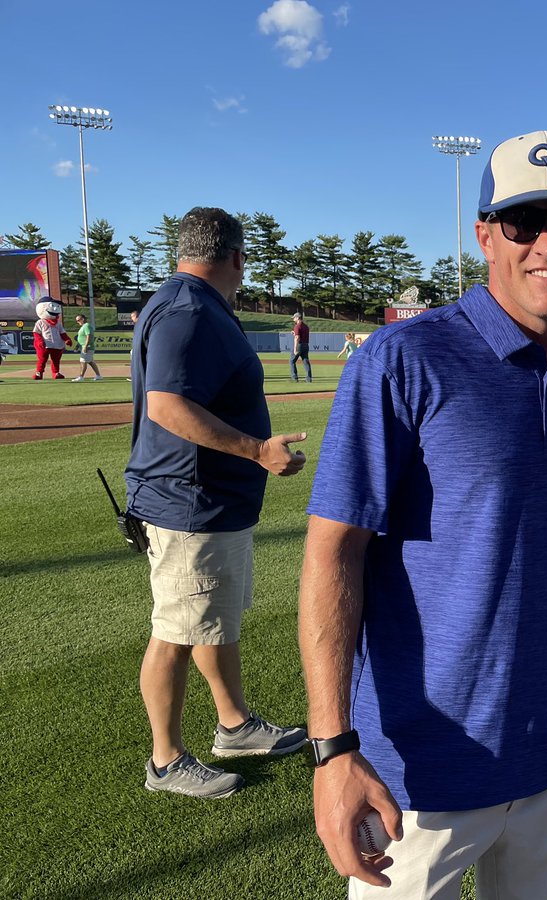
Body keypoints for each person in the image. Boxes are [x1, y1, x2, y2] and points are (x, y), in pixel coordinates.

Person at [299, 130, 547, 899]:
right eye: (523, 223)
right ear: (485, 235)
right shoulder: (403, 358)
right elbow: (331, 553)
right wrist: (333, 749)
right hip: (420, 769)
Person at [125, 207, 309, 799]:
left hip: (207, 502)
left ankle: (233, 724)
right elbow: (167, 406)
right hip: (189, 503)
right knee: (176, 631)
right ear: (237, 256)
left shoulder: (189, 303)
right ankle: (165, 760)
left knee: (210, 620)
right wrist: (256, 450)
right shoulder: (189, 310)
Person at [72, 314, 103, 381]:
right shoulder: (84, 326)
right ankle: (98, 375)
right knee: (91, 362)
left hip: (87, 347)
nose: (77, 322)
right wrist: (77, 346)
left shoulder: (87, 326)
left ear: (82, 319)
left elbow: (88, 336)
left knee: (83, 361)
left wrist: (85, 346)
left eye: (78, 320)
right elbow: (81, 338)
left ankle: (81, 377)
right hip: (84, 346)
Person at [291, 311, 313, 382]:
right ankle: (309, 378)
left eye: (294, 317)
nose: (293, 319)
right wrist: (295, 333)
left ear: (297, 318)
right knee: (306, 361)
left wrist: (295, 348)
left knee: (292, 361)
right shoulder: (306, 326)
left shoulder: (297, 326)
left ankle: (294, 378)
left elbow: (297, 338)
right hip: (306, 345)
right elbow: (301, 335)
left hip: (299, 345)